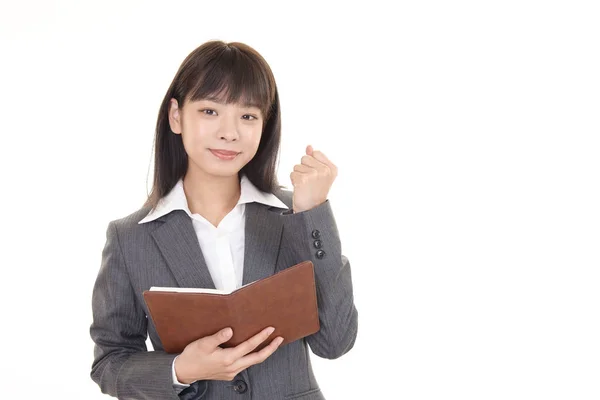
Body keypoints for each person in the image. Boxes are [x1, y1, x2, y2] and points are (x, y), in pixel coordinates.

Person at [89, 40, 358, 400]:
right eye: (210, 111)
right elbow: (109, 362)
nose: (229, 133)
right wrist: (182, 369)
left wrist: (313, 214)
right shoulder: (129, 238)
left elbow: (335, 342)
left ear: (265, 125)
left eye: (247, 116)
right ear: (176, 116)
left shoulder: (295, 217)